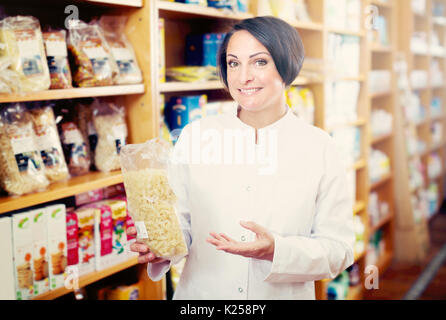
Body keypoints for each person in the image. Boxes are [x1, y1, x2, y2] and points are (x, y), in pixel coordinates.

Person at [128, 16, 355, 300]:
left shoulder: (320, 147)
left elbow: (340, 249)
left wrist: (277, 250)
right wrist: (160, 247)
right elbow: (181, 224)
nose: (243, 77)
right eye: (233, 63)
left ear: (288, 65)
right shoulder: (196, 136)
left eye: (259, 62)